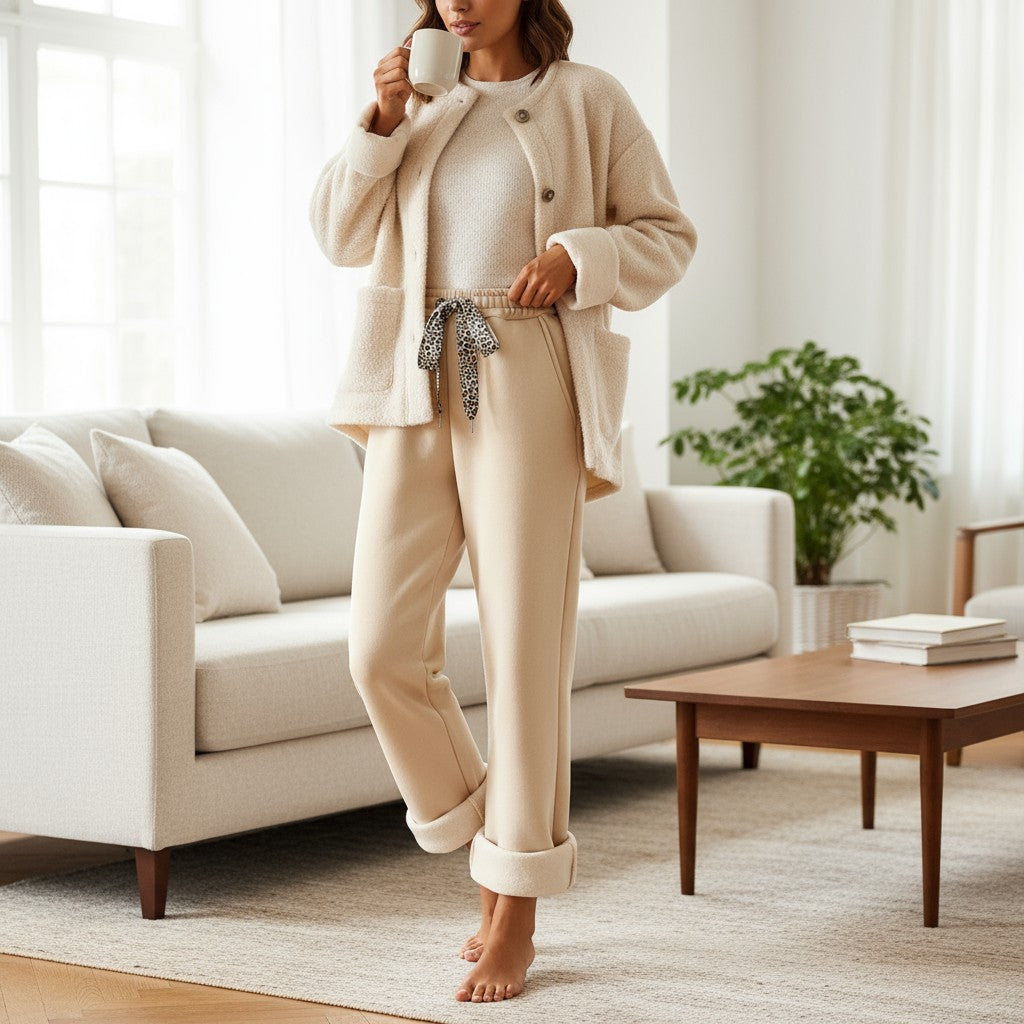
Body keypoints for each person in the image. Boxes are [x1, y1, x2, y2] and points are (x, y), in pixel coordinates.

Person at [309, 0, 696, 1004]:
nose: (458, 4)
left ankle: (515, 908)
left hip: (524, 363)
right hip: (416, 368)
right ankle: (497, 834)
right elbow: (339, 237)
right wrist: (380, 122)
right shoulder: (417, 102)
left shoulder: (585, 97)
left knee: (526, 648)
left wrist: (581, 258)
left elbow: (666, 234)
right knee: (379, 649)